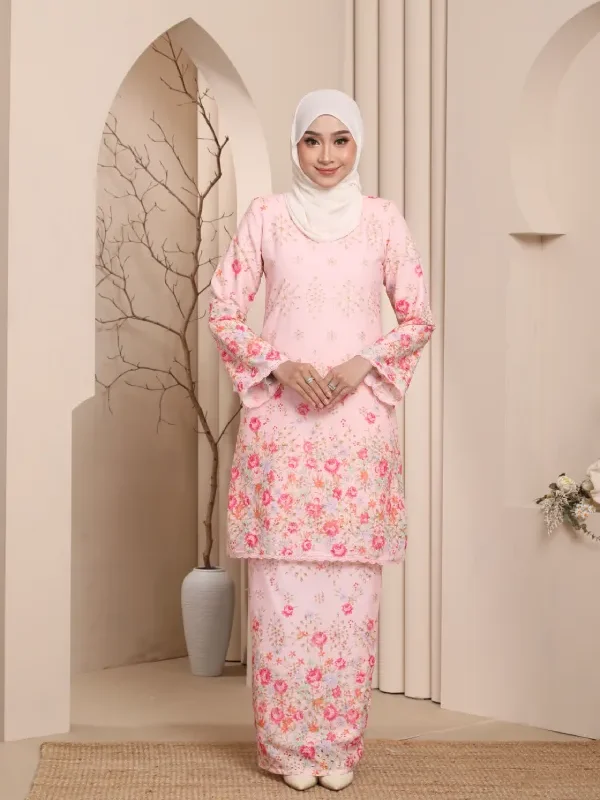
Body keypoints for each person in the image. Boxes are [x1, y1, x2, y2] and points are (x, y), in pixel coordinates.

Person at [208, 89, 434, 792]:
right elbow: (223, 309)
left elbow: (418, 317)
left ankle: (336, 748)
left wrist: (363, 362)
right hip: (283, 429)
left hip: (356, 431)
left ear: (357, 145)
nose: (327, 155)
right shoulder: (267, 217)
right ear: (296, 145)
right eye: (313, 140)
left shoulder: (383, 221)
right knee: (281, 594)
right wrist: (279, 364)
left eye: (340, 140)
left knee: (349, 598)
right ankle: (284, 749)